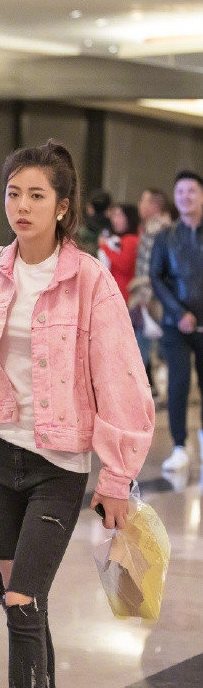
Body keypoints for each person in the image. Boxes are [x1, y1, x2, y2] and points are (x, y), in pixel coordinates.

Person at [0, 140, 154, 688]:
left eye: (37, 195)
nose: (22, 206)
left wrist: (116, 477)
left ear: (63, 206)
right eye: (14, 193)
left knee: (21, 600)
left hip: (58, 465)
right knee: (21, 598)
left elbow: (121, 376)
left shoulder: (89, 280)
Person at [150, 170, 203, 472]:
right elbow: (156, 277)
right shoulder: (165, 237)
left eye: (191, 191)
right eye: (180, 191)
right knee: (178, 382)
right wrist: (178, 312)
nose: (185, 197)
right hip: (175, 324)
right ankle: (180, 446)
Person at [131, 188, 171, 393]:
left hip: (153, 298)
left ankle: (144, 392)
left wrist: (144, 297)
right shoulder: (157, 228)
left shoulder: (158, 230)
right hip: (151, 295)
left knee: (149, 346)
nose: (140, 204)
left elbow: (152, 267)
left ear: (155, 205)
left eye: (143, 200)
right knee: (147, 345)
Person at [97, 202, 140, 304]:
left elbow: (124, 265)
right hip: (117, 293)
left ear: (129, 218)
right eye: (114, 215)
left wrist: (105, 247)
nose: (115, 220)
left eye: (119, 215)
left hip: (124, 293)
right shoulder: (122, 239)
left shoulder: (131, 240)